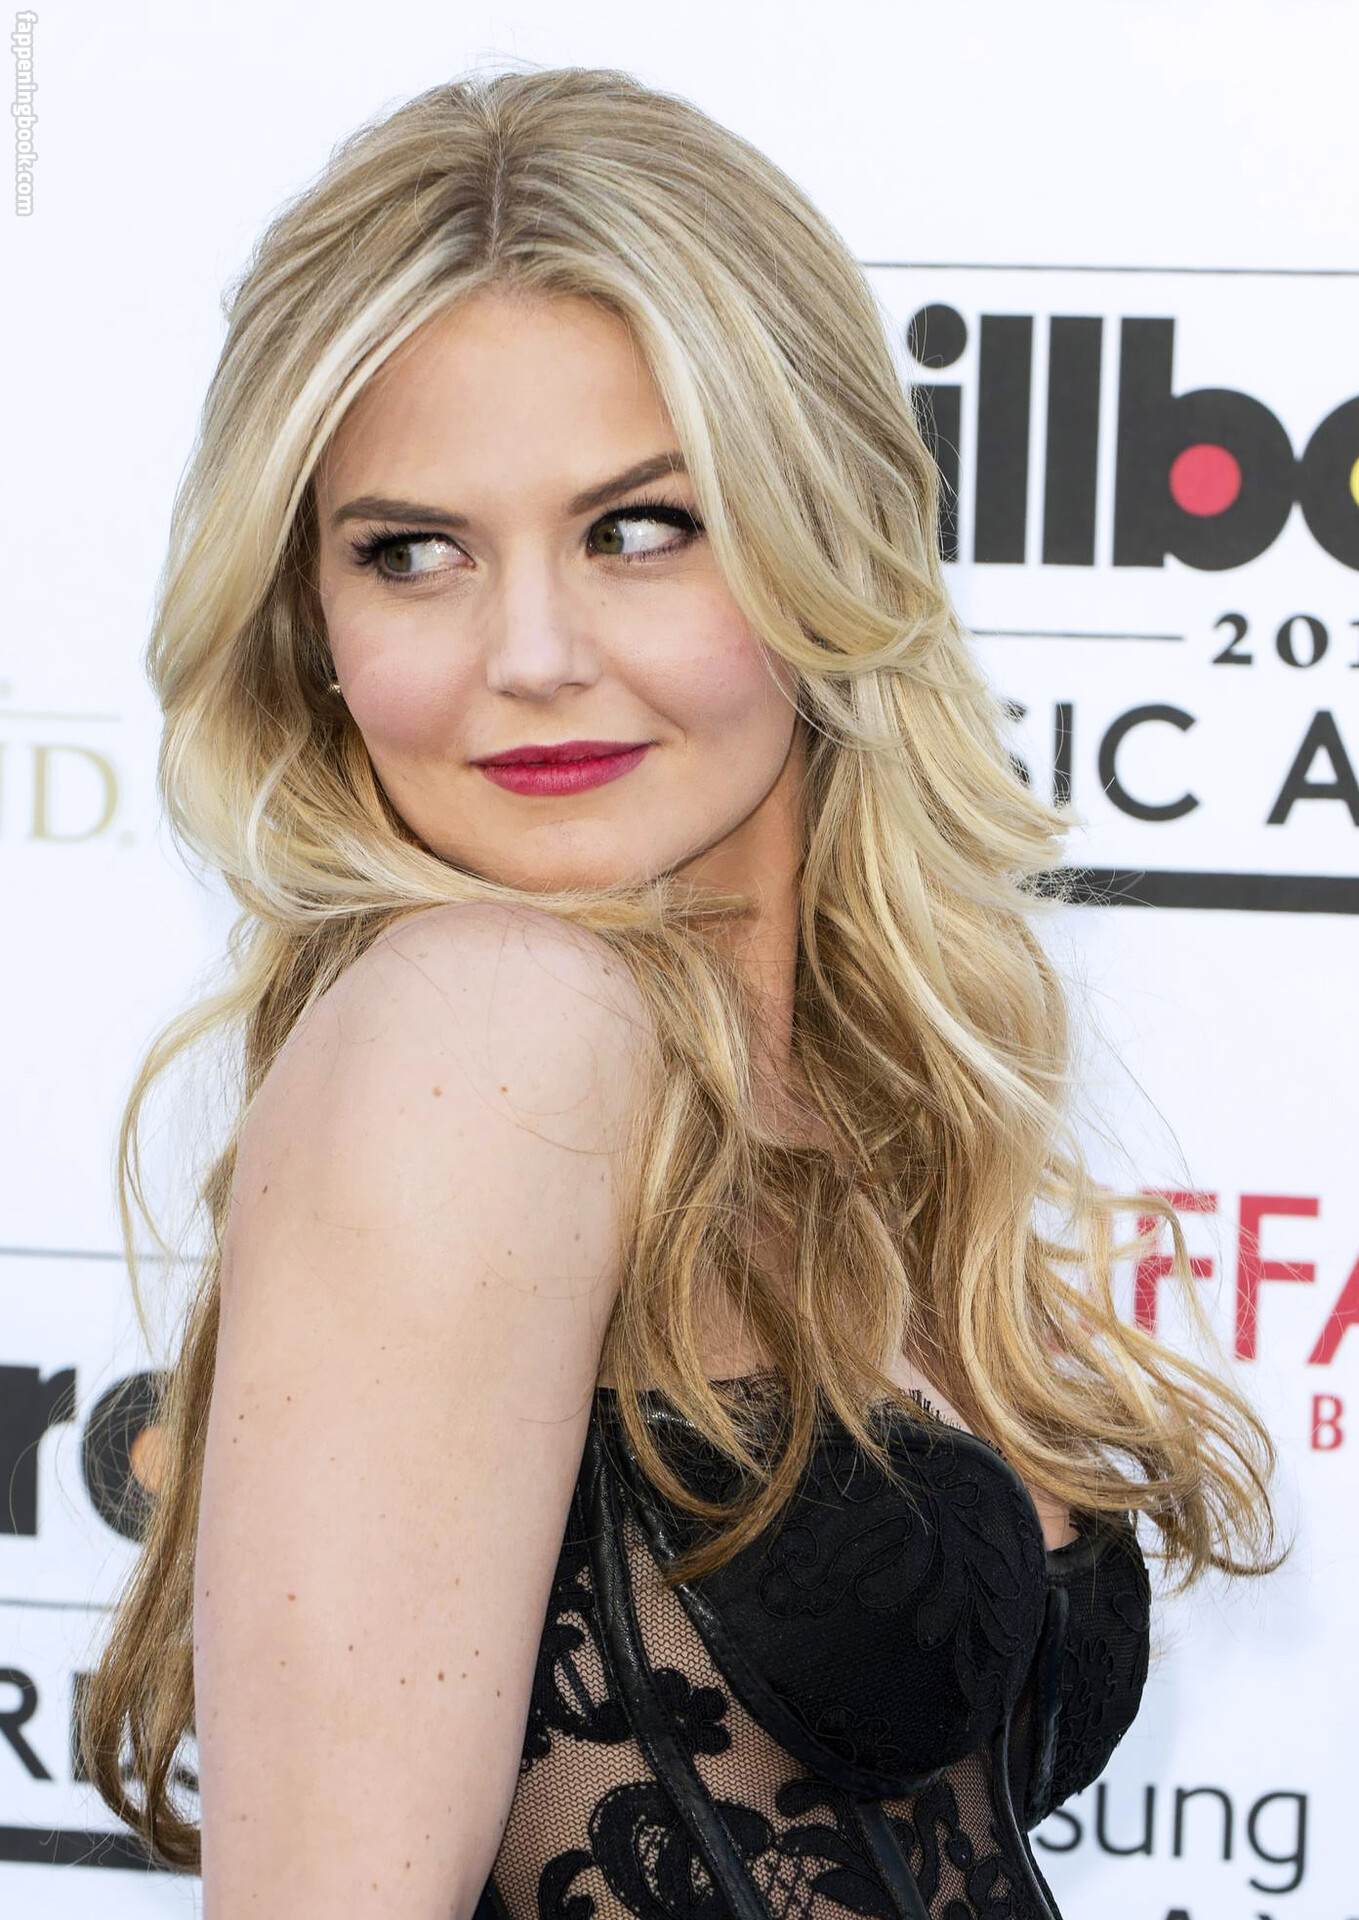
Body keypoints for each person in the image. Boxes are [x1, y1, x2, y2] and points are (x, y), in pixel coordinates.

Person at [79, 65, 1281, 1920]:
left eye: (637, 527)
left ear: (818, 529)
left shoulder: (829, 1100)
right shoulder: (483, 1032)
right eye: (413, 553)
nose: (531, 655)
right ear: (313, 623)